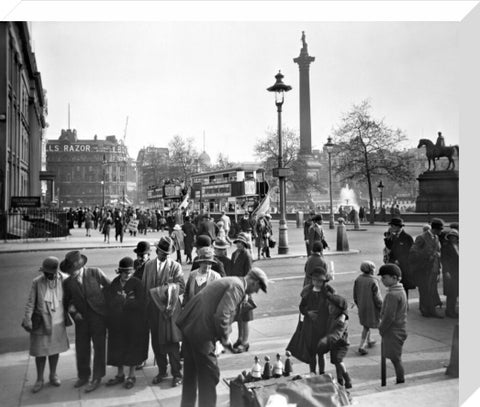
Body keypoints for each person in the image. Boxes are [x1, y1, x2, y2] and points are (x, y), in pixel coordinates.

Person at [176, 267, 270, 407]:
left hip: (191, 326)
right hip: (201, 331)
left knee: (191, 375)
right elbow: (222, 315)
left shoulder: (233, 282)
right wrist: (225, 339)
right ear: (254, 282)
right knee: (210, 375)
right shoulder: (237, 287)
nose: (256, 292)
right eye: (258, 288)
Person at [62, 250, 110, 392]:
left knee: (99, 347)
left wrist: (104, 305)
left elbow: (110, 287)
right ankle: (83, 376)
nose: (72, 273)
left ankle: (97, 377)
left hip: (98, 316)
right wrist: (74, 313)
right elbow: (68, 301)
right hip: (81, 319)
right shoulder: (68, 282)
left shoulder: (95, 272)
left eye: (74, 270)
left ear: (81, 267)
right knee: (82, 347)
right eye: (70, 271)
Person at [21, 257, 70, 393]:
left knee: (54, 351)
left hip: (58, 321)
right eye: (45, 272)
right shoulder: (37, 282)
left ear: (56, 271)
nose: (47, 275)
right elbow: (30, 302)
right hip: (41, 322)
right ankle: (39, 379)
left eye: (50, 273)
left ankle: (53, 375)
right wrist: (28, 319)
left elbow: (72, 297)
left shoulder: (65, 279)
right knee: (40, 353)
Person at [142, 236, 185, 388]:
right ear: (157, 251)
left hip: (169, 311)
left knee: (172, 344)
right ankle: (162, 371)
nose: (165, 255)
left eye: (167, 253)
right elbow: (144, 287)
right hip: (153, 311)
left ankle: (177, 374)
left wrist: (163, 291)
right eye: (162, 253)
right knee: (157, 343)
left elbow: (181, 285)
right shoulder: (148, 266)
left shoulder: (175, 266)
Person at [104, 257, 146, 390]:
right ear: (120, 272)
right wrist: (118, 300)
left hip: (133, 323)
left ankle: (131, 375)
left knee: (132, 348)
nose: (127, 275)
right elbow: (109, 301)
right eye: (124, 272)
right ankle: (120, 374)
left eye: (129, 272)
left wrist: (126, 301)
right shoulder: (114, 283)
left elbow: (142, 303)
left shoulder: (137, 283)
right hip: (117, 323)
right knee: (117, 348)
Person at [299, 265, 333, 375]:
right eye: (314, 280)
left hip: (323, 326)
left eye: (319, 281)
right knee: (312, 352)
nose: (316, 283)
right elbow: (302, 306)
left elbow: (334, 306)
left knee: (321, 352)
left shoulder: (328, 292)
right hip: (310, 327)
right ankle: (312, 372)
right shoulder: (308, 292)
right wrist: (308, 313)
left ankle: (322, 373)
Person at [378, 264, 408, 385]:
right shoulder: (400, 290)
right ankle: (399, 379)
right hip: (400, 328)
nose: (382, 280)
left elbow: (389, 316)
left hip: (393, 330)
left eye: (384, 277)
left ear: (394, 278)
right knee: (395, 357)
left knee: (395, 359)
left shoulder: (392, 295)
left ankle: (400, 380)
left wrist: (381, 328)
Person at [409, 218, 444, 318]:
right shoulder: (422, 237)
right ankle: (425, 310)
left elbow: (438, 252)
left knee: (432, 290)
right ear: (435, 229)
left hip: (434, 268)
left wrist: (438, 268)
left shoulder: (436, 237)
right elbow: (413, 251)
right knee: (424, 290)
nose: (441, 232)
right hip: (424, 268)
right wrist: (427, 255)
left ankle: (431, 310)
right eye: (440, 229)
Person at [317, 293, 352, 389]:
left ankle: (347, 379)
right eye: (329, 306)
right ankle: (340, 381)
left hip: (341, 344)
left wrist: (325, 340)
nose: (330, 308)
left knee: (338, 361)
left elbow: (336, 334)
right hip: (333, 344)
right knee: (335, 362)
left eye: (332, 307)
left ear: (339, 309)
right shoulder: (332, 316)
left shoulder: (342, 321)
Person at [353, 261, 383, 355]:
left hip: (362, 306)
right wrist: (382, 306)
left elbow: (355, 294)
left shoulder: (358, 279)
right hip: (372, 307)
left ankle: (369, 340)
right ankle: (361, 346)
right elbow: (377, 297)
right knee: (380, 325)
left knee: (366, 325)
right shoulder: (373, 281)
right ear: (370, 270)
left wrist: (358, 303)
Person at [230, 232, 253, 352]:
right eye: (237, 242)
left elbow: (249, 275)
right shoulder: (234, 254)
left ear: (244, 243)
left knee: (245, 317)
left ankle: (245, 342)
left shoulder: (247, 255)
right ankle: (240, 338)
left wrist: (247, 293)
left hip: (244, 288)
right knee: (239, 316)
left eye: (241, 242)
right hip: (236, 288)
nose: (238, 244)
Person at [383, 217, 414, 300]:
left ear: (397, 227)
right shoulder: (392, 237)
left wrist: (399, 260)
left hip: (403, 267)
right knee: (393, 287)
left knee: (403, 288)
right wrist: (387, 238)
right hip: (393, 266)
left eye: (392, 226)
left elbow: (409, 253)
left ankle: (404, 307)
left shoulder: (407, 238)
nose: (391, 228)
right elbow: (389, 249)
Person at [132, 241, 151, 369]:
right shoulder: (136, 264)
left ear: (148, 255)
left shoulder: (151, 266)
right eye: (139, 255)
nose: (140, 257)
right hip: (137, 303)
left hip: (148, 303)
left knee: (145, 332)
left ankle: (143, 358)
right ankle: (139, 356)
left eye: (142, 255)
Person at [441, 229, 459, 318]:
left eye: (454, 237)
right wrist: (446, 271)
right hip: (450, 273)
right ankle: (449, 311)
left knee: (455, 292)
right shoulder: (446, 247)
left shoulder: (458, 246)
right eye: (451, 237)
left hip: (457, 272)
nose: (453, 239)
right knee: (451, 292)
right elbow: (444, 260)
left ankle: (452, 310)